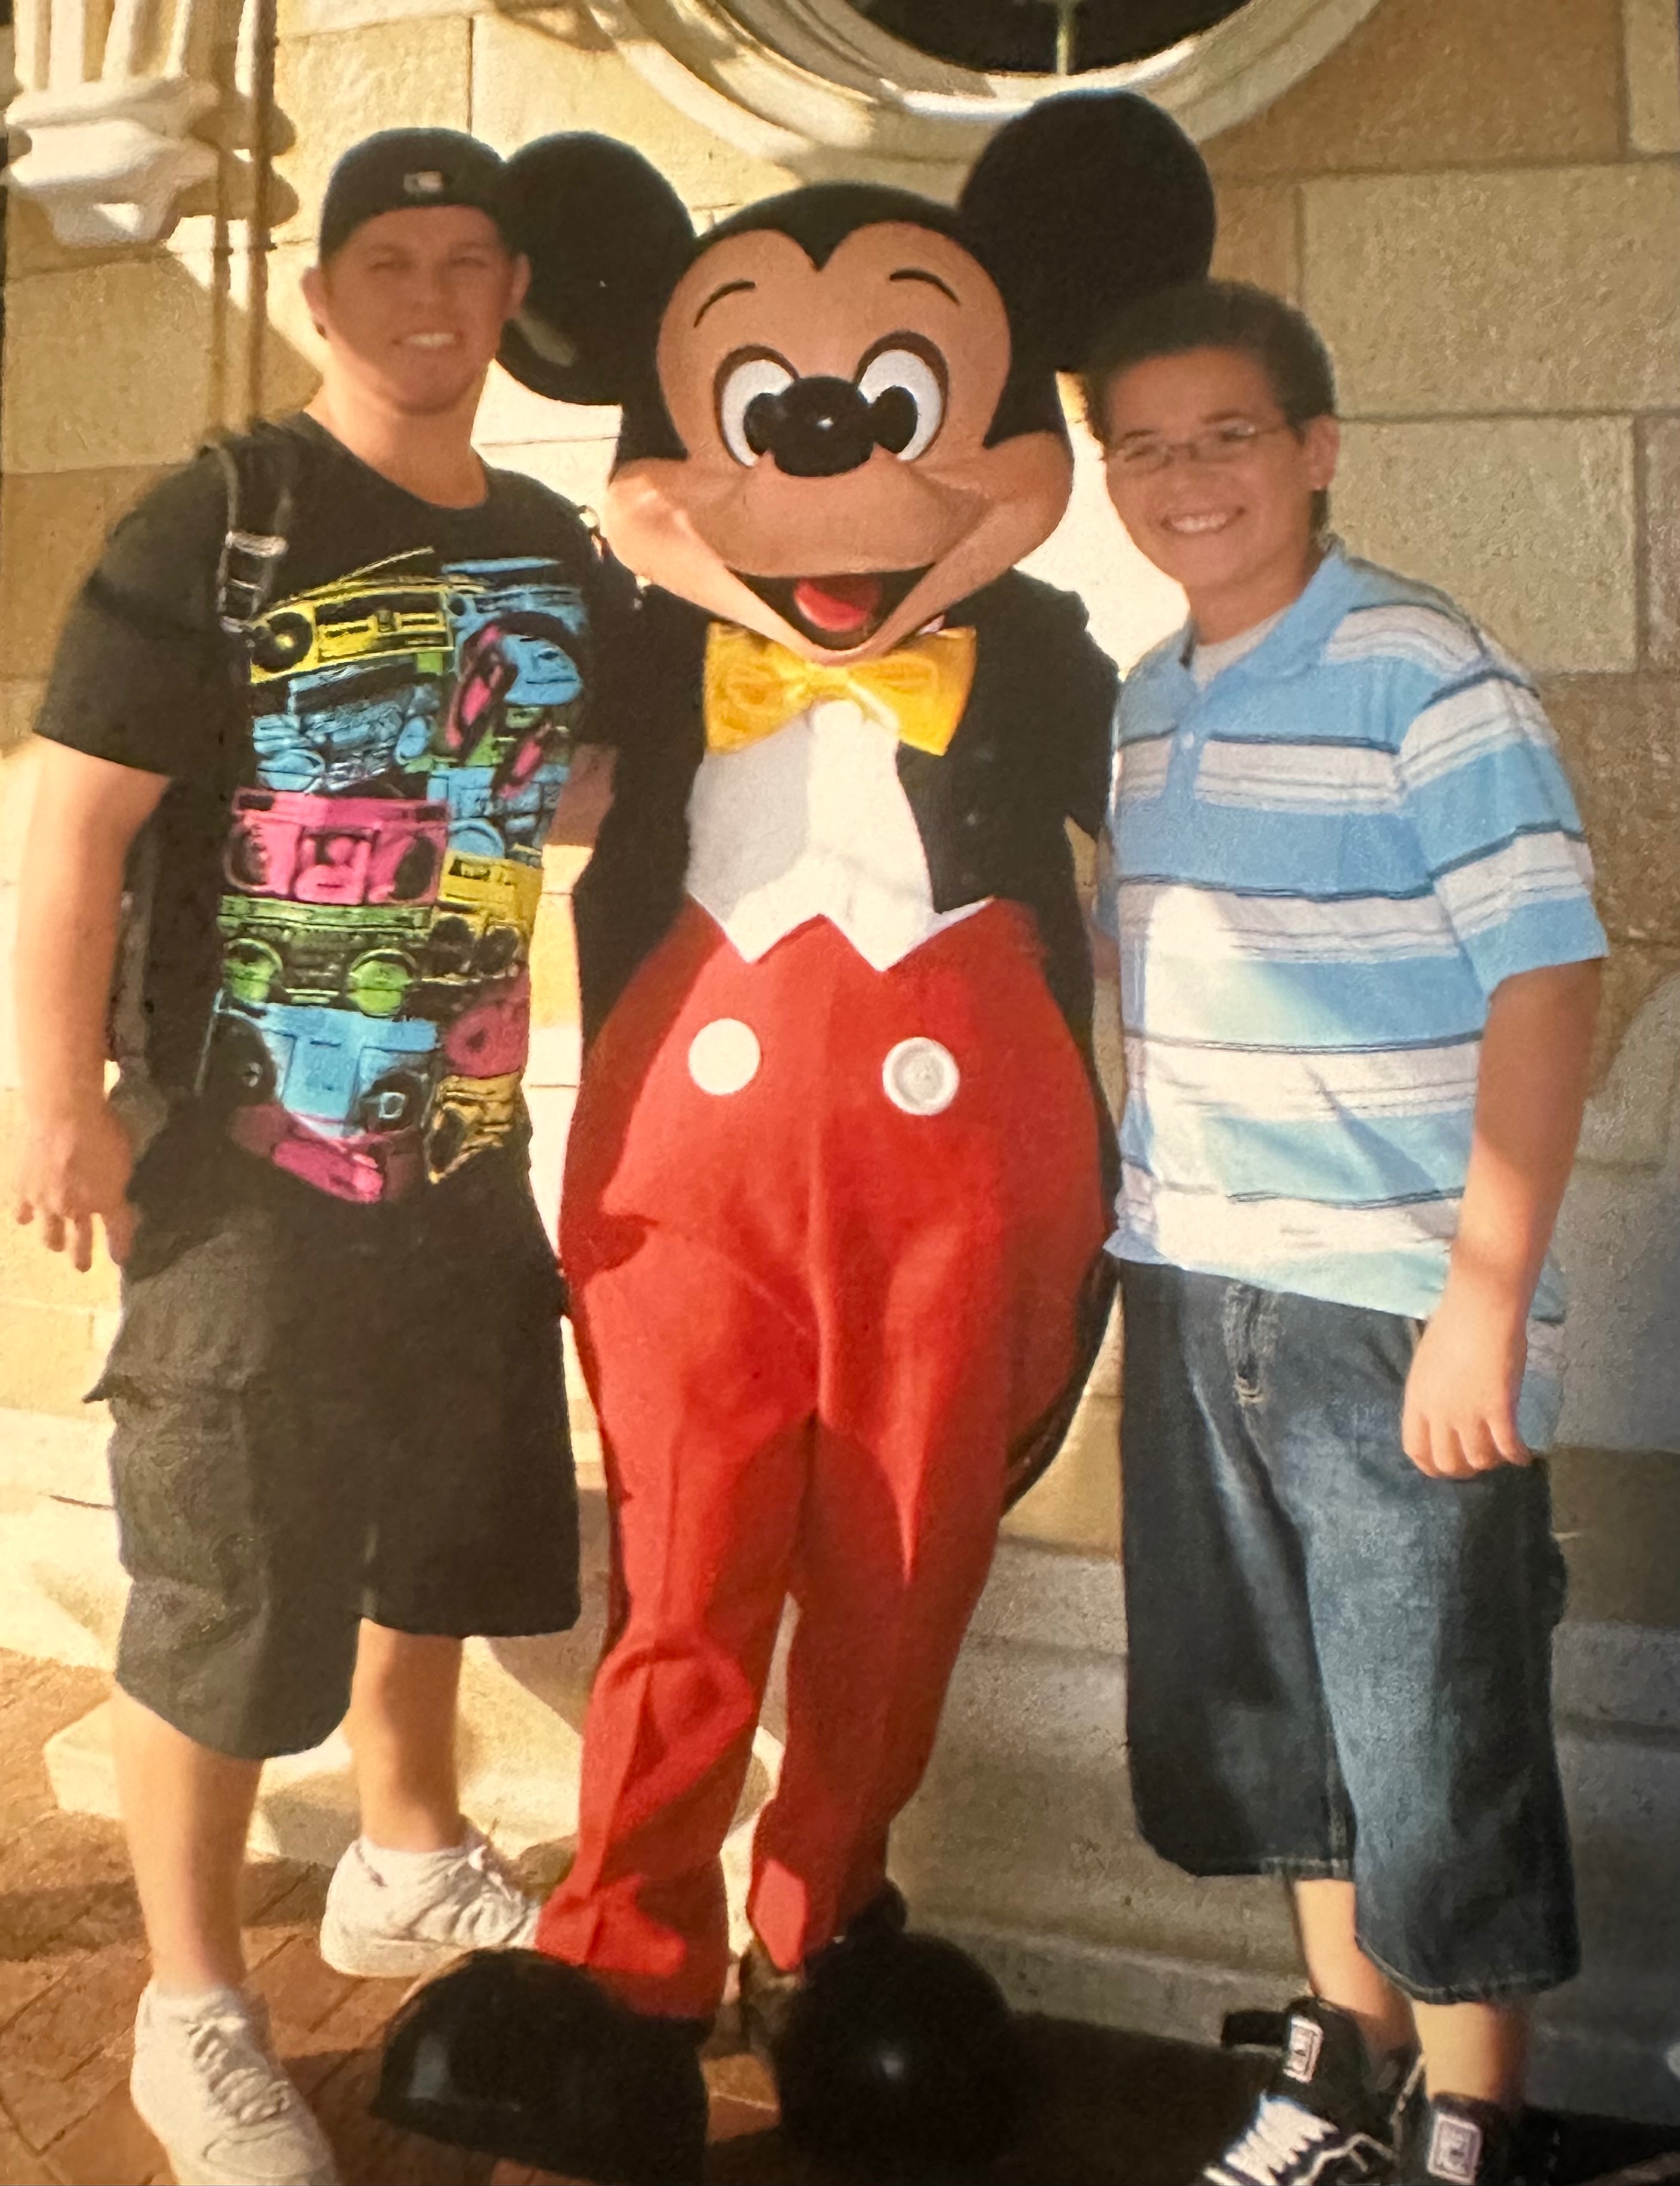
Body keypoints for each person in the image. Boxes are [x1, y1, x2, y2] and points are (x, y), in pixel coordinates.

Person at [11, 128, 633, 2186]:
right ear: (321, 290)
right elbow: (75, 818)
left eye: (467, 260)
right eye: (388, 260)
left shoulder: (548, 540)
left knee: (440, 1519)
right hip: (239, 1145)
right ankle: (192, 2005)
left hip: (461, 1138)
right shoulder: (227, 513)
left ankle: (404, 1848)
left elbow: (590, 782)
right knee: (226, 1570)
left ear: (510, 290)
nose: (430, 297)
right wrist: (53, 1095)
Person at [1082, 280, 1604, 2186]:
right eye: (1144, 445)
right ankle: (1342, 2072)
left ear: (1314, 449)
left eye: (1229, 434)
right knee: (1287, 1724)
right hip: (1200, 1277)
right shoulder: (1151, 694)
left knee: (1431, 1726)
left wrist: (1485, 1301)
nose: (1188, 476)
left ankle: (1474, 2125)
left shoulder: (1423, 669)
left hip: (1392, 1306)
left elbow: (1551, 977)